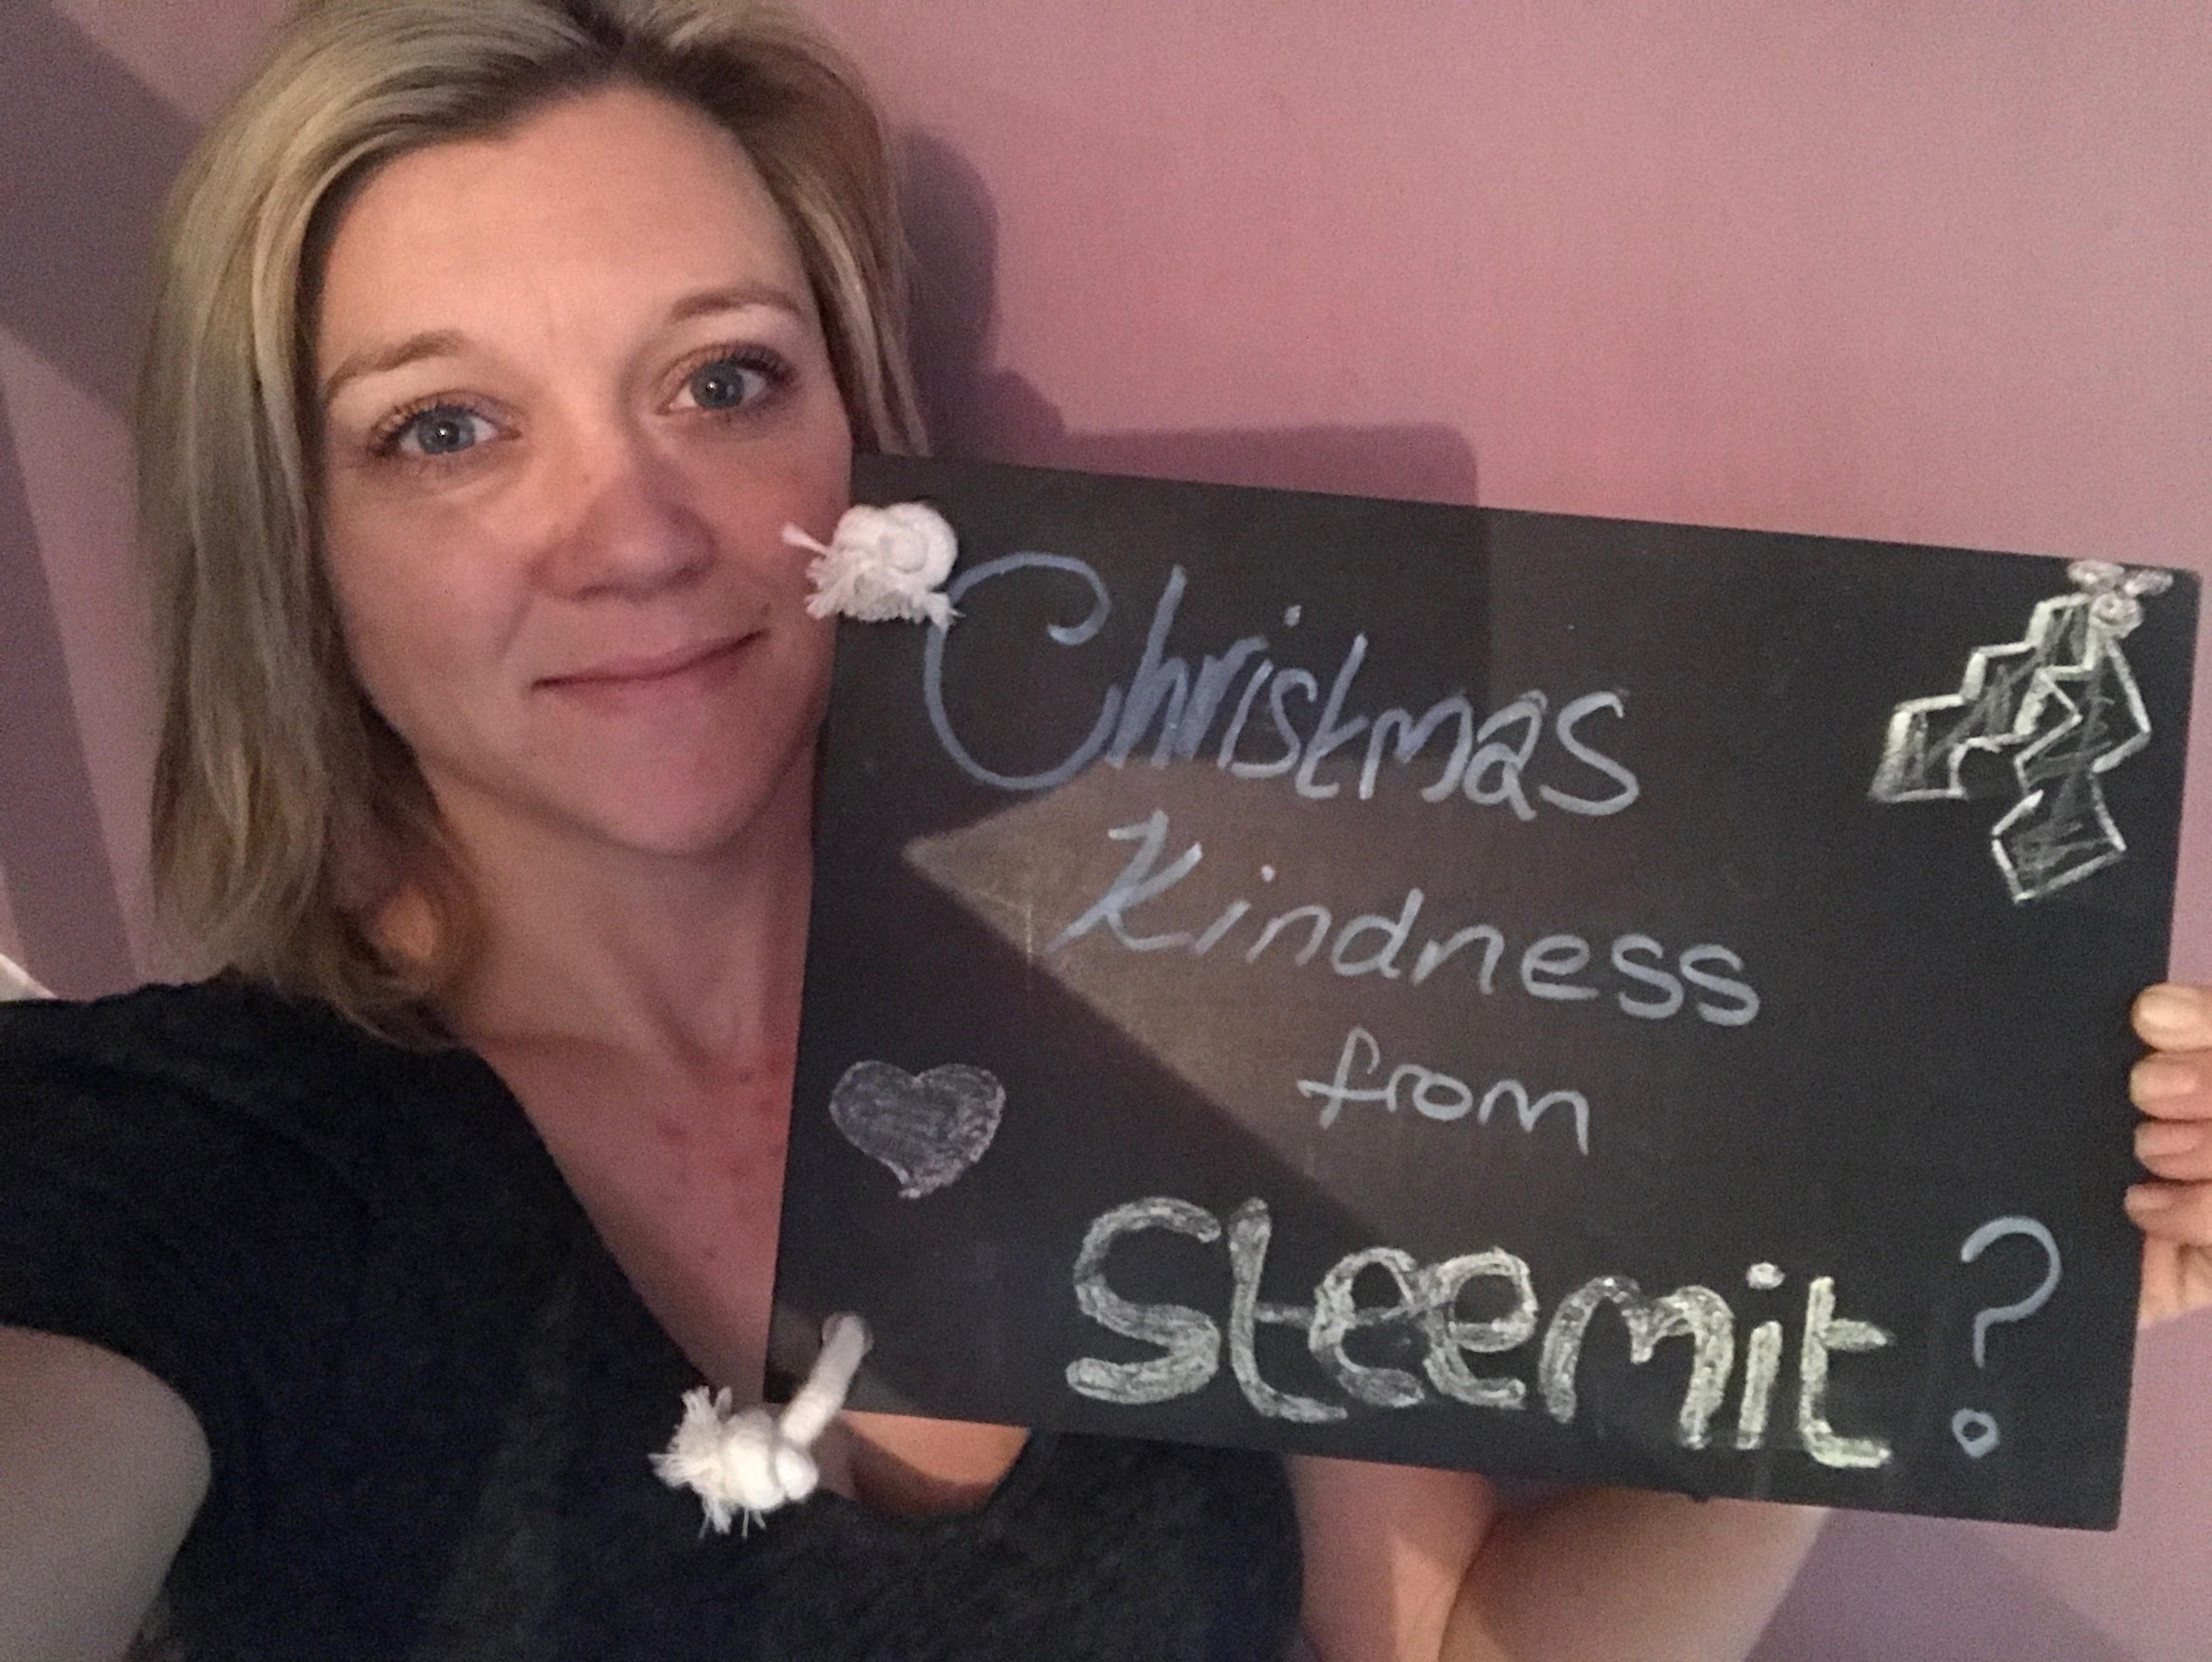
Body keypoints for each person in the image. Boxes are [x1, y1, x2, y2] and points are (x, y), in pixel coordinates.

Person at [1, 1, 2206, 1657]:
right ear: (289, 540)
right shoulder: (181, 1170)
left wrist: (1888, 1289)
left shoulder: (1185, 966)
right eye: (445, 428)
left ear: (860, 448)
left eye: (726, 379)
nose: (639, 530)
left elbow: (1442, 1649)